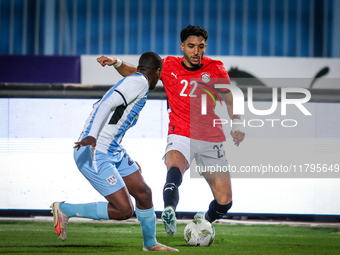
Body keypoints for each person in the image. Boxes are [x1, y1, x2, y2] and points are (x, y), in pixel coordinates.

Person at [97, 25, 245, 237]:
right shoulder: (169, 65)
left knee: (224, 203)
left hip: (210, 138)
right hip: (181, 132)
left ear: (205, 47)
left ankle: (202, 222)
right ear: (182, 46)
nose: (196, 51)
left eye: (201, 47)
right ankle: (169, 211)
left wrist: (237, 124)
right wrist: (117, 63)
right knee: (175, 168)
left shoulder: (216, 69)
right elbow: (136, 73)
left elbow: (231, 99)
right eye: (191, 46)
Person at [50, 52, 178, 251]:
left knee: (144, 193)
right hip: (95, 150)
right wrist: (92, 135)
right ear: (157, 73)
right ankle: (65, 209)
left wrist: (116, 62)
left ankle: (150, 244)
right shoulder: (141, 83)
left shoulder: (137, 79)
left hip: (112, 149)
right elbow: (106, 103)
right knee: (124, 210)